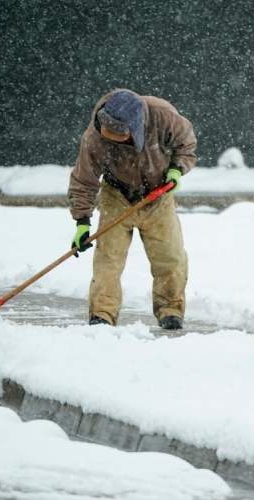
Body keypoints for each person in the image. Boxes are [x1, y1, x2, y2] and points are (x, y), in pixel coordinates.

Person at [68, 88, 196, 330]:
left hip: (158, 194)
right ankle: (102, 314)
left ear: (135, 127)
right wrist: (82, 222)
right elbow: (84, 180)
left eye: (121, 135)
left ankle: (170, 310)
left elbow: (186, 145)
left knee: (170, 257)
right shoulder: (93, 138)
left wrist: (177, 169)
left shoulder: (163, 116)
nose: (112, 138)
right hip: (117, 195)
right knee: (108, 260)